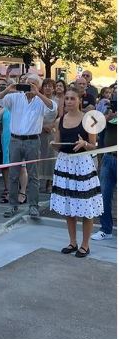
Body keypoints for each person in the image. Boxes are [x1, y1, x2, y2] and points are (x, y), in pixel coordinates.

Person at [0, 73, 57, 218]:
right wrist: (8, 89)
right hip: (15, 140)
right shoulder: (15, 97)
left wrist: (38, 93)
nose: (29, 86)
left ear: (38, 86)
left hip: (33, 140)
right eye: (28, 83)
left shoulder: (41, 100)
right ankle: (12, 205)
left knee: (33, 175)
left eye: (33, 84)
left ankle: (33, 206)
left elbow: (52, 109)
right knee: (13, 175)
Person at [50, 88, 103, 257]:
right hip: (64, 164)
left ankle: (85, 245)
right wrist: (54, 144)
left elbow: (94, 146)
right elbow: (58, 145)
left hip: (82, 164)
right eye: (66, 98)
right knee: (68, 204)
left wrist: (84, 144)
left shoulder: (89, 119)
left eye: (72, 98)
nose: (69, 101)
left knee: (86, 205)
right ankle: (72, 242)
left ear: (79, 100)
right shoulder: (59, 120)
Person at [92, 106, 116, 241]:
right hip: (108, 157)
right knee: (104, 196)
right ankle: (106, 230)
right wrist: (106, 118)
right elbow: (96, 128)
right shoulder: (110, 112)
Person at [38, 78, 58, 193]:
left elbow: (59, 116)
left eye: (50, 86)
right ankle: (39, 181)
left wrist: (51, 125)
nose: (47, 88)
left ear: (53, 88)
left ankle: (49, 183)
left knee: (50, 157)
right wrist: (42, 126)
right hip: (38, 131)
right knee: (39, 157)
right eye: (45, 86)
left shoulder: (56, 101)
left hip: (51, 131)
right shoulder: (38, 100)